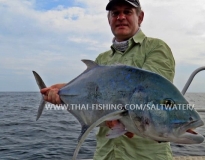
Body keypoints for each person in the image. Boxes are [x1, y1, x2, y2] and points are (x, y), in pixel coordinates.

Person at [41, 0, 175, 159]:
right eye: (115, 13)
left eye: (127, 12)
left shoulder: (155, 48)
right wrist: (63, 91)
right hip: (105, 154)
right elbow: (92, 97)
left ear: (140, 17)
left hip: (145, 155)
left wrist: (116, 116)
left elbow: (148, 95)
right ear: (109, 19)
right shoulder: (102, 59)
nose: (121, 17)